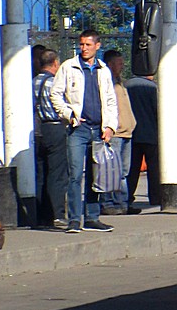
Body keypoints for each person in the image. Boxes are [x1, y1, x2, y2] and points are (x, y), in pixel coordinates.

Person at [50, 29, 118, 233]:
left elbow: (110, 100)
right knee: (75, 174)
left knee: (96, 175)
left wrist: (110, 126)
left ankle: (92, 217)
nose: (84, 48)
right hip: (78, 128)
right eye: (82, 44)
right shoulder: (69, 67)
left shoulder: (103, 70)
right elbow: (56, 94)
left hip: (98, 129)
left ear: (97, 46)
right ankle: (73, 220)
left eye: (88, 45)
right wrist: (68, 114)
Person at [32, 48, 69, 229]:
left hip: (38, 130)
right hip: (55, 127)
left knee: (40, 173)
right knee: (57, 173)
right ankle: (57, 213)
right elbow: (60, 107)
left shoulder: (33, 82)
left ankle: (40, 214)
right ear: (55, 63)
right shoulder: (54, 83)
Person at [100, 50, 137, 215]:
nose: (122, 66)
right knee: (112, 171)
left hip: (126, 132)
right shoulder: (106, 83)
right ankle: (109, 203)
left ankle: (122, 202)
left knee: (123, 171)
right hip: (115, 133)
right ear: (110, 64)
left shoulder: (120, 82)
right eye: (119, 63)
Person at [125, 72, 160, 209]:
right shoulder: (153, 88)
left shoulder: (125, 86)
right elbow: (158, 110)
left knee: (131, 169)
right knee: (154, 168)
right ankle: (156, 197)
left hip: (132, 134)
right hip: (151, 133)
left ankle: (128, 196)